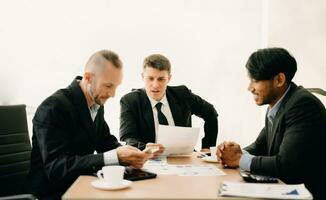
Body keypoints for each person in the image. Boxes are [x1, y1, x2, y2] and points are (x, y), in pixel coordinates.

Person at [26, 50, 153, 199]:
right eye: (108, 86)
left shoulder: (96, 103)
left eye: (116, 87)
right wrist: (115, 157)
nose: (112, 94)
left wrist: (131, 154)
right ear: (88, 78)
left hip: (82, 183)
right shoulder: (54, 107)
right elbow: (57, 168)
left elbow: (105, 141)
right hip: (53, 193)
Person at [216, 47, 326, 199]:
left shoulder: (302, 105)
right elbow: (260, 146)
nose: (250, 88)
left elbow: (287, 165)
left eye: (255, 80)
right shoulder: (279, 105)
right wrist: (230, 153)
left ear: (279, 80)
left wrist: (238, 159)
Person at [119, 54, 218, 153]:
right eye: (150, 78)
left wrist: (207, 147)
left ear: (169, 78)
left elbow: (211, 113)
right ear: (142, 77)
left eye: (161, 79)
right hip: (149, 160)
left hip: (184, 158)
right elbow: (128, 138)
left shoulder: (182, 94)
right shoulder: (130, 101)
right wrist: (147, 149)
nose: (155, 85)